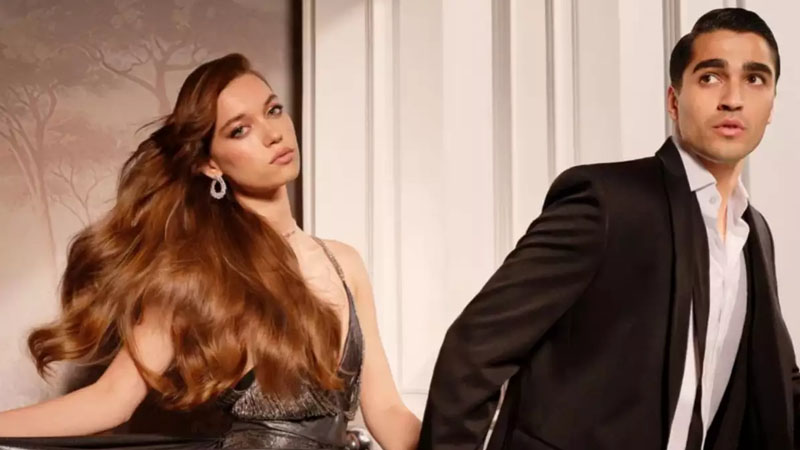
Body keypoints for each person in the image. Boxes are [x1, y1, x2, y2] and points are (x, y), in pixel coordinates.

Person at [418, 8, 797, 450]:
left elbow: (778, 379)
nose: (733, 98)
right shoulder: (607, 201)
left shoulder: (753, 232)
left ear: (771, 106)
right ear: (674, 101)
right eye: (710, 77)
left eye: (755, 79)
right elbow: (474, 350)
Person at [0, 53, 421, 450]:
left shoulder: (344, 263)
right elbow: (111, 399)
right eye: (240, 130)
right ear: (210, 164)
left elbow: (386, 410)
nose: (273, 133)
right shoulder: (197, 275)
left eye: (273, 110)